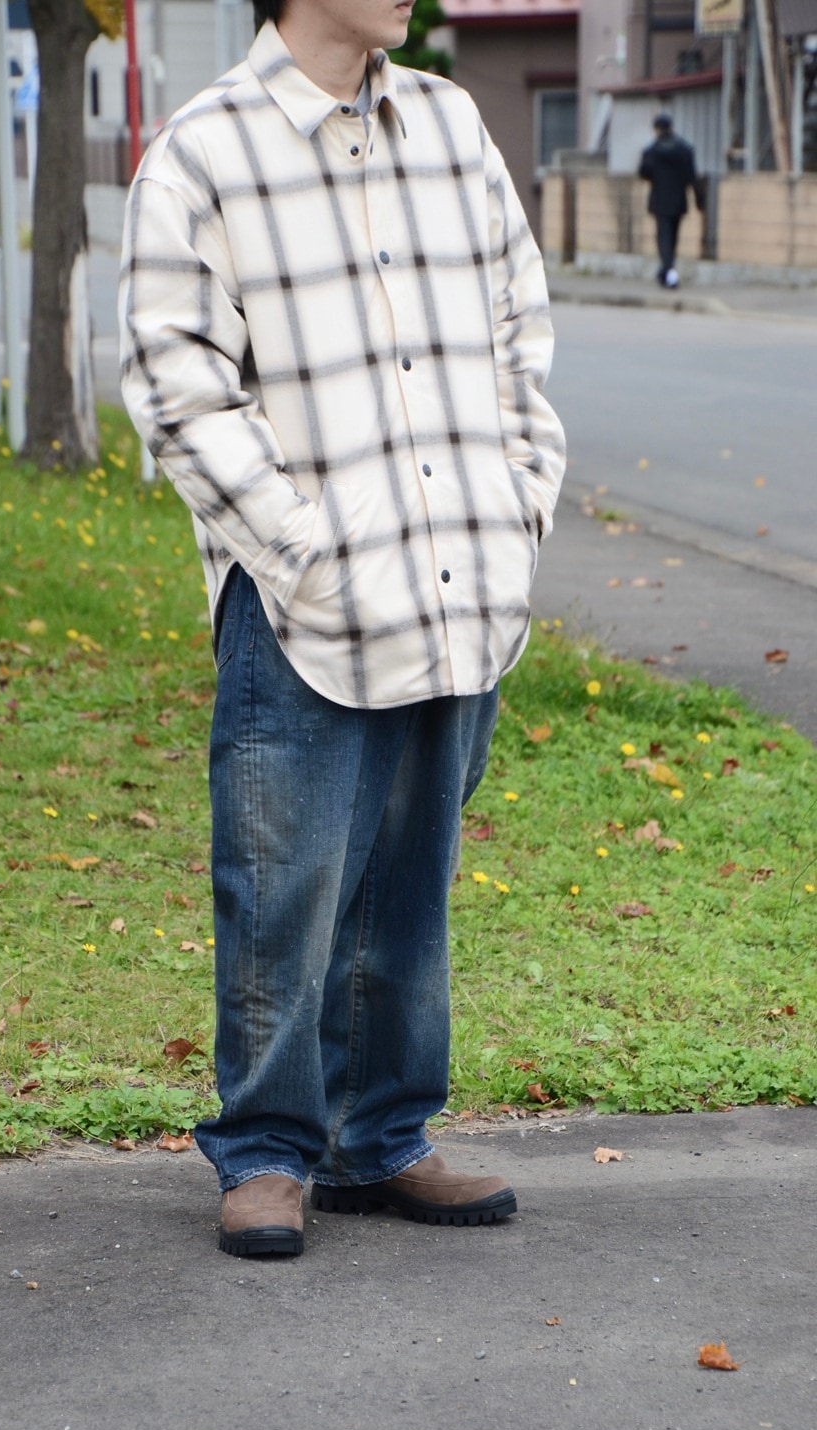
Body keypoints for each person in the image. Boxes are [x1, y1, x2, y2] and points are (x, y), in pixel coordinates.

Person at [119, 0, 565, 1258]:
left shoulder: (451, 123)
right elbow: (175, 383)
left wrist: (516, 509)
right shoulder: (205, 151)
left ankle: (384, 1137)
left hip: (456, 576)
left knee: (410, 882)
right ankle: (267, 1152)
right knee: (284, 886)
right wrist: (297, 547)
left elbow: (518, 336)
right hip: (300, 602)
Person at [639, 112, 700, 289]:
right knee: (673, 237)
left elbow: (643, 173)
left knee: (663, 238)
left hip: (660, 200)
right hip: (678, 199)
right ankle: (664, 271)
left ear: (657, 129)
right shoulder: (685, 150)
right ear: (671, 128)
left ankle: (669, 272)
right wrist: (699, 199)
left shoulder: (651, 151)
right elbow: (691, 176)